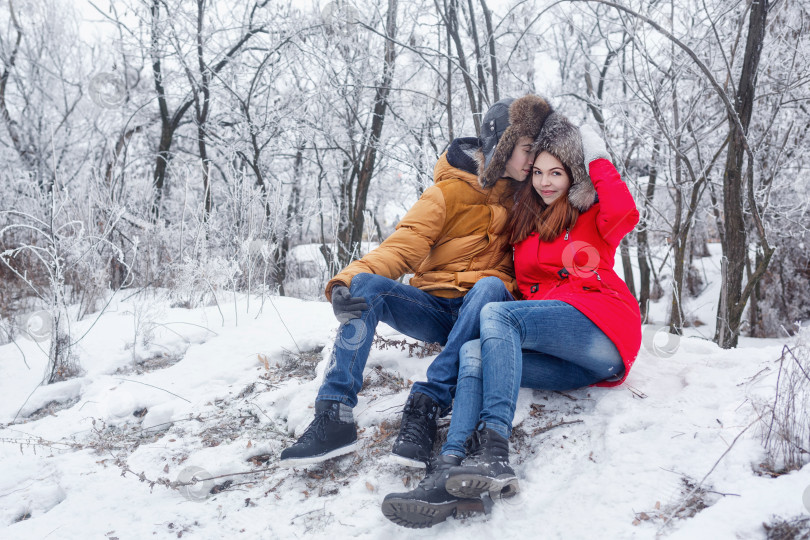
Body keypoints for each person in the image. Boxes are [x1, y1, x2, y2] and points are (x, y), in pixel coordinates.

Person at [381, 113, 642, 528]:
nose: (545, 181)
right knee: (474, 350)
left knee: (498, 315)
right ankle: (449, 468)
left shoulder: (591, 214)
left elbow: (627, 210)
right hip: (567, 358)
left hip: (601, 326)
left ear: (573, 174)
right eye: (538, 172)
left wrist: (592, 151)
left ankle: (495, 455)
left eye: (557, 172)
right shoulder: (526, 229)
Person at [279, 95, 554, 468]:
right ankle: (334, 415)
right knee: (366, 286)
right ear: (501, 146)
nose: (533, 160)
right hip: (436, 309)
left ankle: (427, 403)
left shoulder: (533, 198)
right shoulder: (447, 194)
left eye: (537, 151)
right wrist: (344, 282)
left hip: (485, 312)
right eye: (525, 149)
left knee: (490, 286)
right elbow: (400, 248)